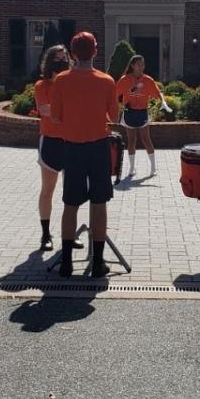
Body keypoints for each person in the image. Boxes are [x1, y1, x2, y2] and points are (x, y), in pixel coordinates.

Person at [50, 32, 118, 278]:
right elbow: (115, 117)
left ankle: (66, 263)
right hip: (99, 146)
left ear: (72, 53)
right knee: (99, 204)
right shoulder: (107, 81)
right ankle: (98, 263)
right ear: (96, 52)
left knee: (70, 204)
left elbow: (56, 116)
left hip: (72, 147)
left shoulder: (61, 81)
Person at [33, 44, 70, 251]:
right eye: (58, 59)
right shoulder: (42, 85)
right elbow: (45, 110)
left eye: (65, 58)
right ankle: (46, 234)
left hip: (71, 141)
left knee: (71, 191)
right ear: (49, 62)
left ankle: (69, 232)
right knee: (48, 189)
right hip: (50, 141)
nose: (62, 61)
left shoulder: (72, 84)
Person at [116, 54, 161, 178]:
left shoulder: (148, 80)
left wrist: (161, 103)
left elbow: (157, 94)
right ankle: (131, 168)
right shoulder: (124, 80)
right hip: (129, 112)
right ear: (132, 66)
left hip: (142, 112)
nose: (141, 67)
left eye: (143, 64)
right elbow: (115, 95)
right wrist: (118, 108)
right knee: (131, 141)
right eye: (138, 64)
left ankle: (153, 167)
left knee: (146, 139)